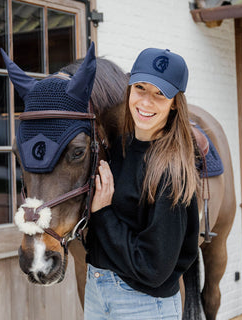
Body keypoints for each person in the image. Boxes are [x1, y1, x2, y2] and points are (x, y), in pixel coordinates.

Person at [84, 48, 200, 320]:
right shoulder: (118, 149)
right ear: (129, 90)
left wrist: (103, 214)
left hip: (143, 305)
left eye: (160, 93)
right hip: (96, 290)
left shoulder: (172, 171)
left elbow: (154, 268)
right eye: (140, 88)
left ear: (174, 103)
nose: (146, 102)